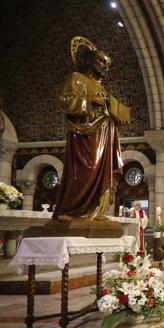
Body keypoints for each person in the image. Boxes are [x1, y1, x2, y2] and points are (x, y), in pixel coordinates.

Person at [53, 38, 129, 221]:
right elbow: (65, 101)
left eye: (108, 64)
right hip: (85, 134)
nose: (106, 66)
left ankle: (96, 211)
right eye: (102, 61)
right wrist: (89, 100)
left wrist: (115, 108)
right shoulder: (76, 79)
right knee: (86, 170)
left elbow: (117, 112)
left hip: (106, 133)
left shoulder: (102, 87)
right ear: (88, 60)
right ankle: (73, 210)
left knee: (102, 171)